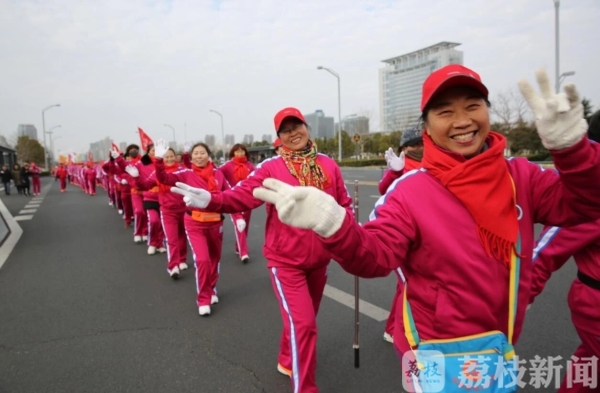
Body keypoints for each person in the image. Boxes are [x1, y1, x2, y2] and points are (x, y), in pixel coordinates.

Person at [246, 66, 600, 392]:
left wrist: (572, 151)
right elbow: (376, 256)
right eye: (445, 111)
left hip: (499, 342)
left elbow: (586, 205)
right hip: (433, 348)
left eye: (472, 105)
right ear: (427, 126)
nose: (462, 120)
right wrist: (335, 226)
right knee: (303, 324)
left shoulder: (521, 177)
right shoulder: (410, 190)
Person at [171, 108, 354, 393]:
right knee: (304, 325)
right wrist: (212, 200)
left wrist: (351, 236)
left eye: (298, 126)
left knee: (303, 320)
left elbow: (343, 203)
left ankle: (286, 358)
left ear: (307, 128)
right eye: (286, 130)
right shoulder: (271, 167)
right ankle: (305, 387)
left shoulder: (328, 165)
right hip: (285, 261)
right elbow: (242, 194)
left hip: (320, 259)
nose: (294, 133)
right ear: (279, 137)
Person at [155, 141, 242, 316]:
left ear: (209, 155)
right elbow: (164, 178)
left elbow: (230, 196)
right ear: (191, 156)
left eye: (202, 153)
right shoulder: (186, 173)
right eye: (195, 153)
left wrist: (238, 216)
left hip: (215, 223)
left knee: (214, 259)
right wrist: (158, 160)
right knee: (202, 260)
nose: (199, 156)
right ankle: (203, 298)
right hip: (194, 222)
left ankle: (211, 290)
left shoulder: (218, 175)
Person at [377, 126, 425, 344]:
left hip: (426, 232)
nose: (419, 147)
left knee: (405, 286)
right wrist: (396, 172)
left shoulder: (433, 161)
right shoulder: (400, 165)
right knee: (408, 285)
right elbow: (382, 189)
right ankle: (401, 333)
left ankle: (392, 328)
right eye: (414, 144)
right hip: (404, 233)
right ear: (404, 147)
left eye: (422, 142)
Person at [126, 147, 188, 278]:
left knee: (182, 236)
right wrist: (136, 177)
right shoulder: (157, 173)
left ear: (176, 157)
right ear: (162, 159)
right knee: (171, 239)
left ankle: (182, 259)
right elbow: (144, 186)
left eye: (172, 156)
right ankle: (173, 266)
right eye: (166, 157)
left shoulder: (183, 171)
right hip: (167, 210)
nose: (170, 159)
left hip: (184, 209)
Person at [116, 144, 164, 254]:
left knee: (160, 221)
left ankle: (158, 242)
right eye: (153, 150)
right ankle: (139, 233)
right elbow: (125, 169)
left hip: (161, 196)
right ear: (148, 151)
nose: (155, 152)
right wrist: (118, 159)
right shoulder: (142, 162)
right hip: (143, 193)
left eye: (157, 150)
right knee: (141, 213)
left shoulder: (162, 162)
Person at [219, 143, 255, 263]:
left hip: (247, 199)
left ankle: (238, 246)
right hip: (233, 199)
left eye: (242, 151)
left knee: (245, 224)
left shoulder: (250, 165)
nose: (239, 153)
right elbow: (216, 173)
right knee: (239, 222)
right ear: (233, 153)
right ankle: (243, 252)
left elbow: (257, 178)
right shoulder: (228, 165)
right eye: (237, 151)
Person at [378, 127, 423, 195]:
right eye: (415, 145)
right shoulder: (398, 166)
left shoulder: (432, 164)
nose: (421, 147)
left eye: (422, 143)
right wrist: (394, 173)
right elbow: (383, 189)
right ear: (404, 149)